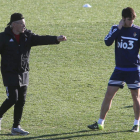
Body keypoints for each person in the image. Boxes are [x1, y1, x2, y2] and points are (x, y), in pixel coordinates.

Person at [0, 13, 66, 135]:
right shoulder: (3, 37)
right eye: (21, 24)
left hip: (23, 72)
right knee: (12, 98)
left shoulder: (27, 36)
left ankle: (16, 127)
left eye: (24, 24)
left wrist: (56, 38)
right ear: (14, 24)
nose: (24, 26)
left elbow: (41, 39)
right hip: (9, 73)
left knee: (21, 100)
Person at [88, 7, 140, 132]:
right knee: (108, 95)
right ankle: (100, 123)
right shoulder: (116, 29)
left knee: (135, 97)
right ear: (123, 19)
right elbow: (107, 42)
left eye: (132, 19)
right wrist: (118, 29)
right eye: (128, 20)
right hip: (119, 70)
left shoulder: (138, 31)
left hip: (133, 70)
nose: (131, 22)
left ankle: (136, 124)